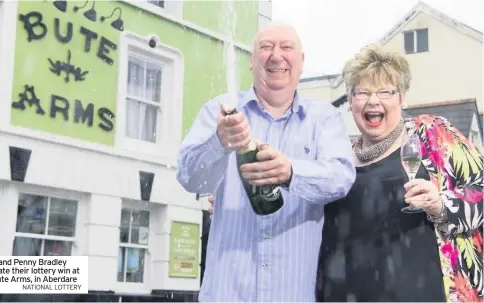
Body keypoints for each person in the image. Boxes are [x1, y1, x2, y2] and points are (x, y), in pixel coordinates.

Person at [176, 22, 356, 302]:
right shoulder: (221, 111)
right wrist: (218, 142)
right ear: (251, 61)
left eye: (287, 47)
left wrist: (291, 172)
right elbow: (189, 177)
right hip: (227, 293)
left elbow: (341, 177)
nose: (276, 55)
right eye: (266, 47)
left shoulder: (324, 119)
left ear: (302, 61)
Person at [316, 44, 483, 302]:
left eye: (385, 91)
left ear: (403, 96)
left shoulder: (432, 136)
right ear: (350, 101)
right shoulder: (337, 160)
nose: (374, 101)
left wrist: (441, 206)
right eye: (362, 92)